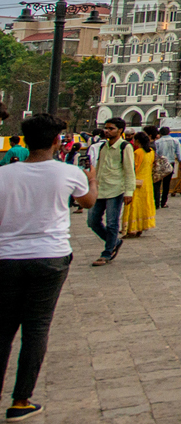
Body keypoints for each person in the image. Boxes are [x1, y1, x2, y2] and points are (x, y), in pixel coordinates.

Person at [0, 113, 95, 421]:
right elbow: (88, 202)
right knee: (37, 327)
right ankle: (21, 400)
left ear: (24, 141)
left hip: (6, 258)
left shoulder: (4, 174)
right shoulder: (67, 172)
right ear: (58, 141)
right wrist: (91, 181)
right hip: (50, 257)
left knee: (3, 331)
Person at [87, 117, 135, 266]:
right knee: (92, 221)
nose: (107, 131)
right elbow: (99, 169)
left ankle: (107, 252)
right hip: (101, 189)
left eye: (111, 128)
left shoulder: (125, 147)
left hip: (116, 189)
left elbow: (129, 170)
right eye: (106, 128)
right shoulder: (102, 147)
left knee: (112, 223)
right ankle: (114, 241)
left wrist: (129, 191)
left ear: (120, 131)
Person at [121, 132, 157, 238]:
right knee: (144, 205)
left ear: (137, 141)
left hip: (137, 182)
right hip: (147, 182)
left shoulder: (138, 152)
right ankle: (141, 226)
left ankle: (131, 228)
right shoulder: (151, 152)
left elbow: (133, 168)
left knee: (133, 206)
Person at [153, 127, 181, 208]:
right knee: (166, 184)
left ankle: (156, 202)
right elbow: (179, 153)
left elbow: (156, 154)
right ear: (169, 132)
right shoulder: (175, 141)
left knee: (157, 184)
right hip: (170, 163)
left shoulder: (157, 142)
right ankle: (164, 202)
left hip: (160, 163)